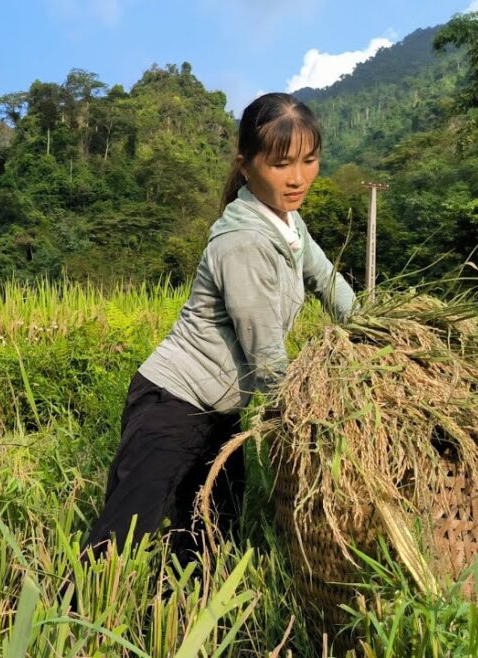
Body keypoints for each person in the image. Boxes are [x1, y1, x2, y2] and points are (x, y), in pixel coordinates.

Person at [83, 93, 356, 561]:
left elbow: (328, 280)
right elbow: (266, 353)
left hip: (219, 413)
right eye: (281, 164)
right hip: (173, 403)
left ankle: (180, 626)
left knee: (208, 540)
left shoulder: (288, 222)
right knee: (123, 536)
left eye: (309, 161)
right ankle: (61, 621)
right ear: (246, 166)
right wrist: (301, 425)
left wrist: (381, 331)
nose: (298, 178)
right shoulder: (244, 241)